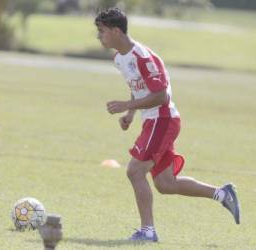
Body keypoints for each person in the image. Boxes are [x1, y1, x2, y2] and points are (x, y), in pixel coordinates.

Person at [94, 7, 240, 242]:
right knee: (165, 184)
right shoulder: (120, 59)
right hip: (153, 121)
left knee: (134, 171)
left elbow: (161, 95)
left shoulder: (143, 57)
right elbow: (137, 87)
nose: (98, 36)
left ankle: (148, 232)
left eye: (101, 31)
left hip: (163, 120)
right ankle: (222, 194)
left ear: (116, 31)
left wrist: (124, 105)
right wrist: (131, 113)